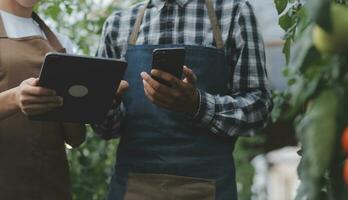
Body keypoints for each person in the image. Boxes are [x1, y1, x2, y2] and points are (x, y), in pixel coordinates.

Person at [95, 0, 272, 199]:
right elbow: (106, 130)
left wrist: (198, 105)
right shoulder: (118, 24)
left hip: (209, 187)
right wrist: (107, 104)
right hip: (134, 187)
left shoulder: (234, 13)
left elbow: (259, 108)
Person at [0, 0, 86, 199]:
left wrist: (92, 98)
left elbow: (76, 139)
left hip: (51, 186)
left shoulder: (61, 44)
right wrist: (14, 98)